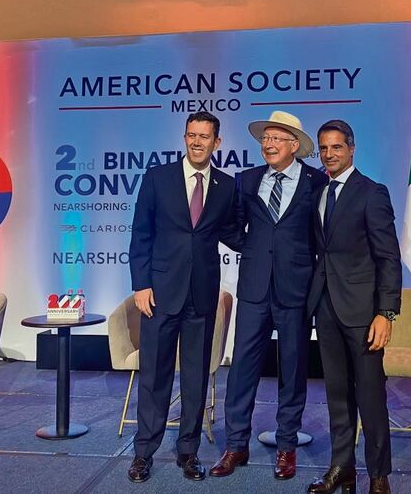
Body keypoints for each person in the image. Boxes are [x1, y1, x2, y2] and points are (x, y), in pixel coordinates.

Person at [210, 111, 327, 481]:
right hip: (255, 288)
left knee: (292, 370)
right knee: (242, 368)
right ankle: (236, 445)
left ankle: (287, 446)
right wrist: (257, 247)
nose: (269, 145)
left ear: (295, 145)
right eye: (265, 139)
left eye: (277, 139)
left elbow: (322, 232)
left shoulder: (317, 181)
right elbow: (229, 225)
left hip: (295, 289)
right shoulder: (246, 180)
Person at [126, 111, 238, 484]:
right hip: (158, 296)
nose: (196, 142)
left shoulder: (226, 186)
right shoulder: (158, 178)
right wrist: (141, 285)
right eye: (191, 135)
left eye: (204, 136)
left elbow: (235, 234)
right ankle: (144, 453)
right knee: (154, 377)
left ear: (216, 142)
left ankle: (187, 452)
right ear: (184, 137)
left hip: (201, 297)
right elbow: (140, 234)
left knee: (194, 378)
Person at [306, 119, 402, 494]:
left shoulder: (372, 192)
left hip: (364, 312)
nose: (329, 155)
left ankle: (379, 475)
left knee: (370, 395)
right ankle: (341, 468)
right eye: (324, 148)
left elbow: (388, 258)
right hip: (326, 308)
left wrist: (386, 312)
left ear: (351, 148)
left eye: (336, 148)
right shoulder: (317, 190)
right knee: (337, 395)